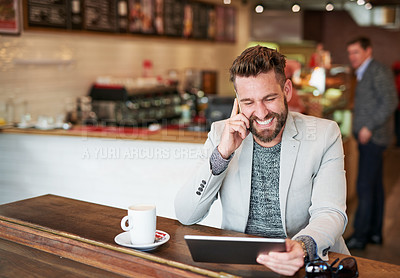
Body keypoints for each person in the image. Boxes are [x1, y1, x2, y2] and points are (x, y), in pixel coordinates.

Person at [175, 45, 350, 276]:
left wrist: (302, 247)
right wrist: (222, 154)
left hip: (304, 262)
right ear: (237, 101)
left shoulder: (324, 134)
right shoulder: (220, 134)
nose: (261, 113)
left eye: (269, 98)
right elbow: (187, 214)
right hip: (240, 265)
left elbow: (331, 212)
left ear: (286, 90)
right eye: (248, 102)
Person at [345, 37, 398, 250]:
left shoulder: (378, 70)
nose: (352, 57)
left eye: (356, 52)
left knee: (364, 186)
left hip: (374, 138)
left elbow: (391, 102)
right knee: (374, 186)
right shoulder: (364, 71)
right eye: (350, 53)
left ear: (368, 51)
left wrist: (368, 126)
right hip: (370, 137)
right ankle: (375, 233)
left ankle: (360, 235)